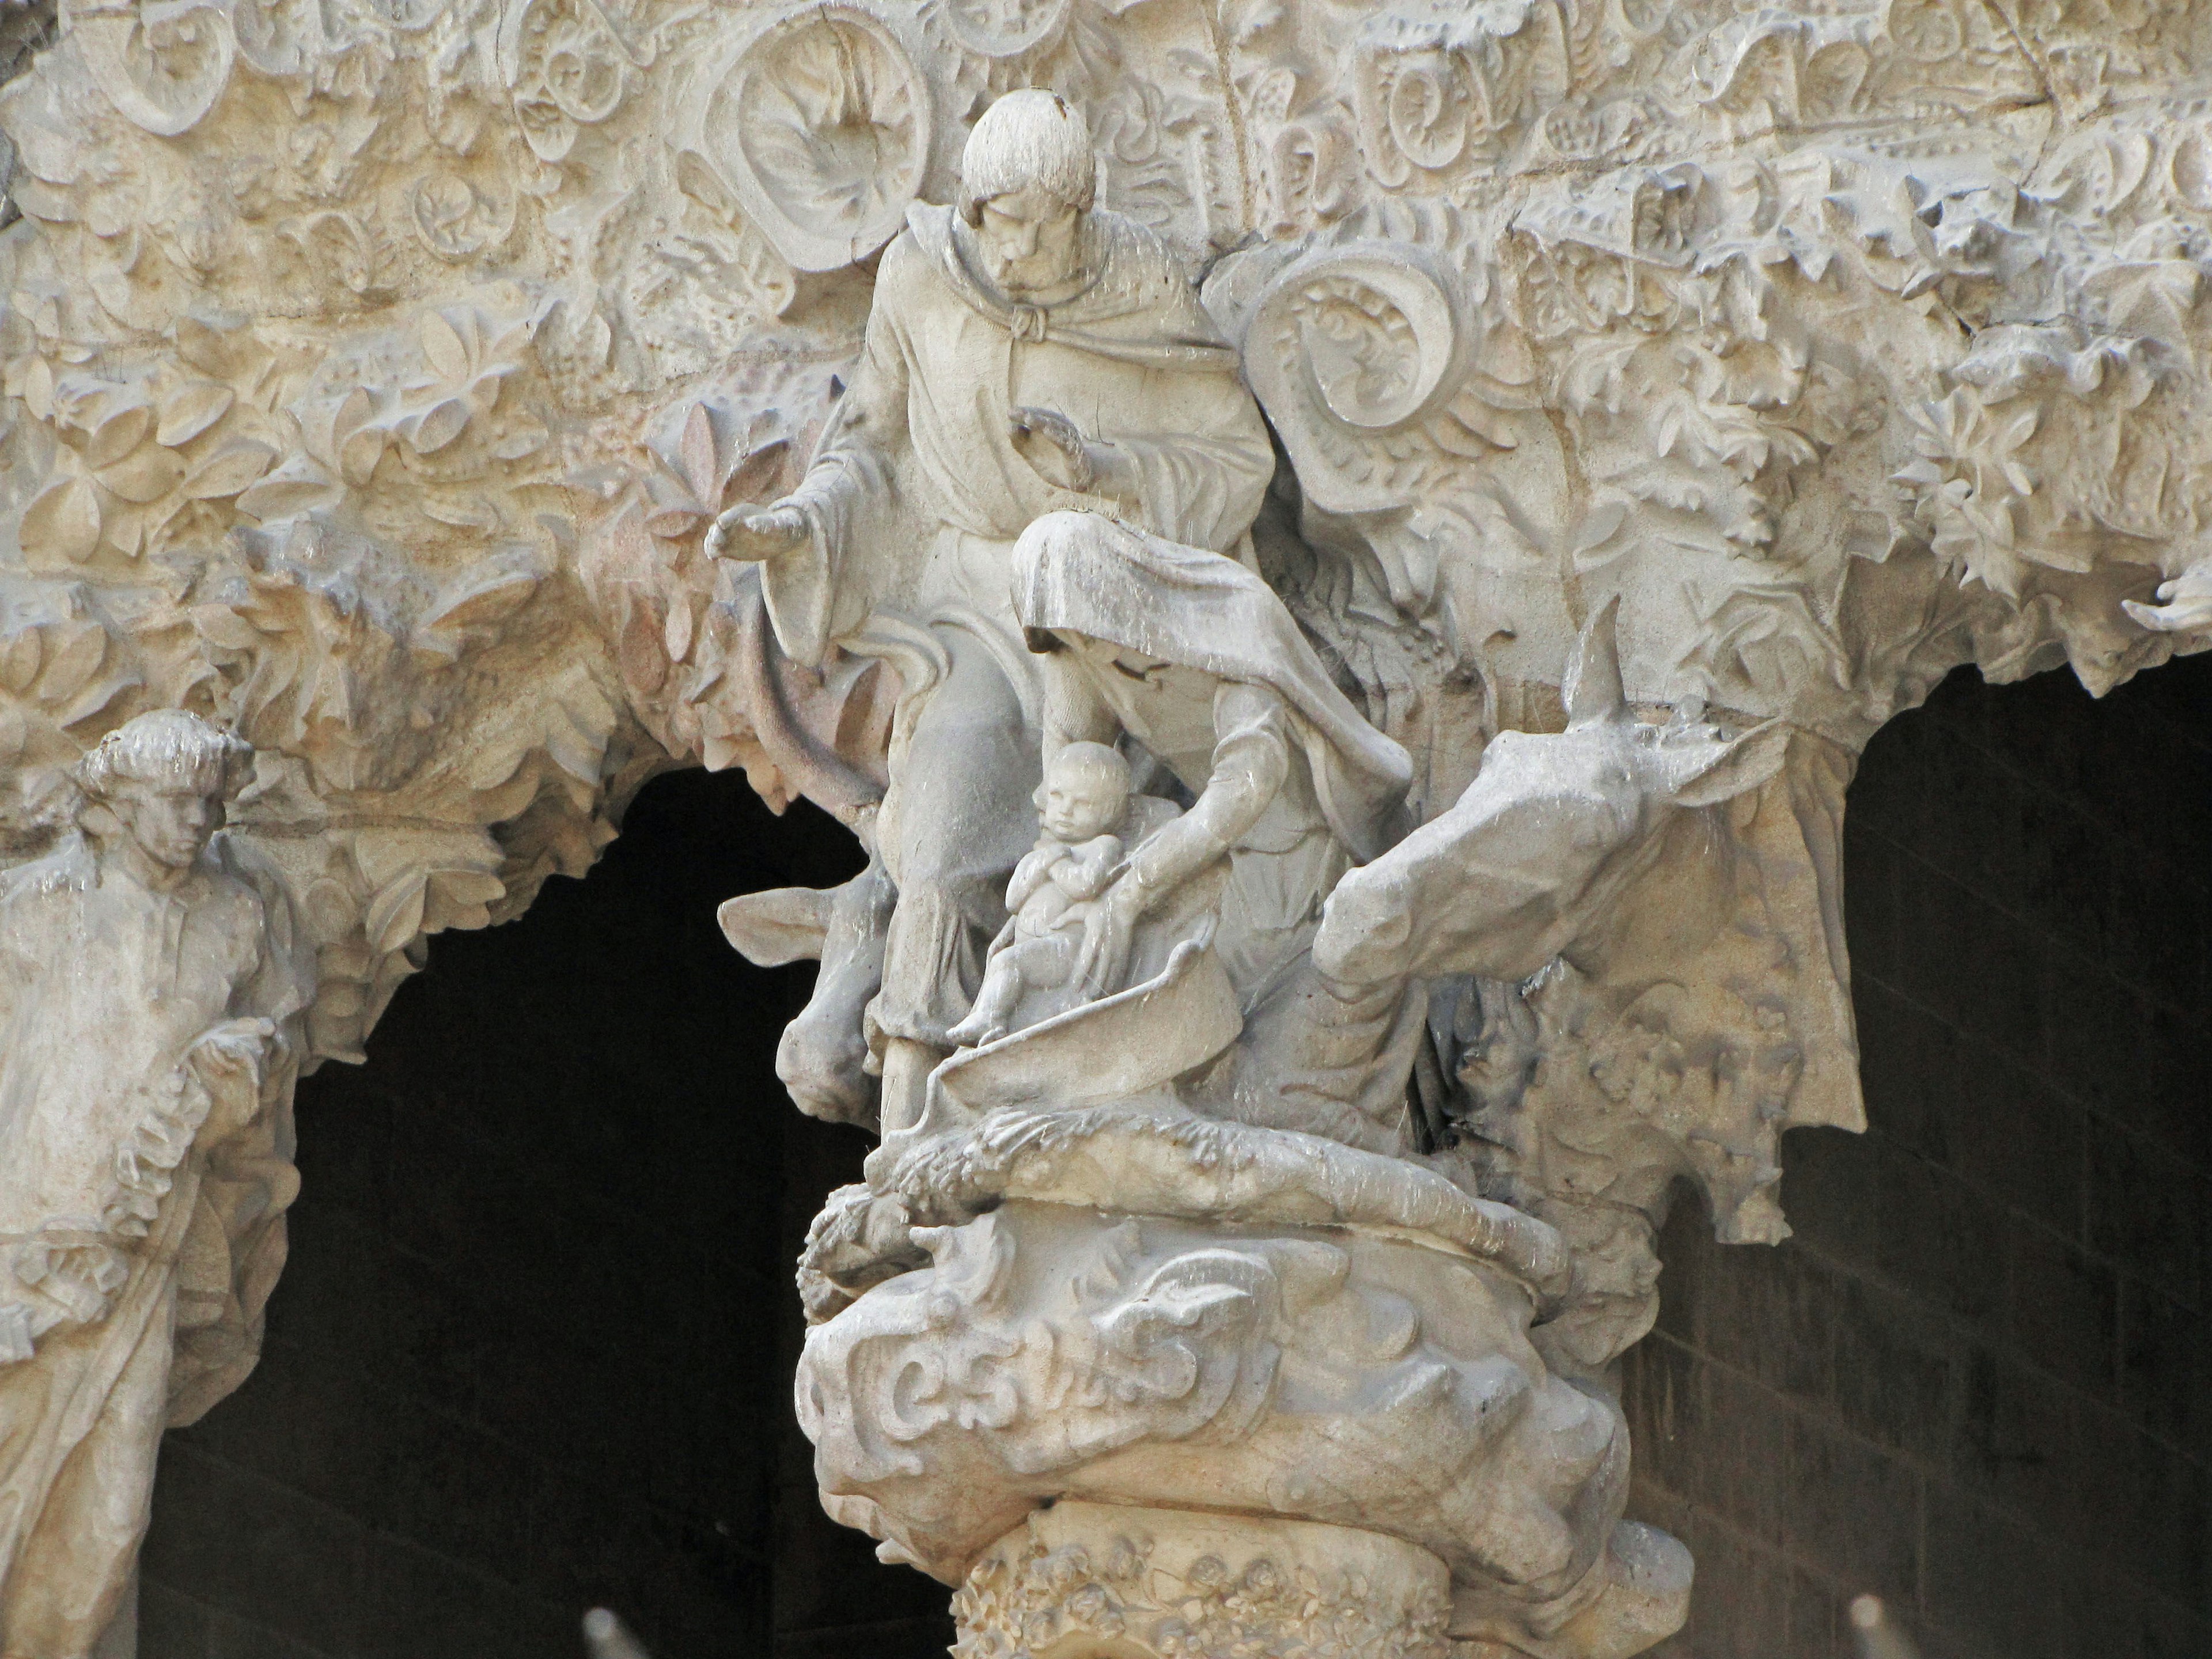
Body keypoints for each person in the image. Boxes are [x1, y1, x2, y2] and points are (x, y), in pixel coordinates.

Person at [706, 89, 1273, 1133]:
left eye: (1049, 232)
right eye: (1003, 229)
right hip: (970, 612)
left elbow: (1234, 459)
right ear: (970, 215)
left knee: (1092, 829)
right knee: (936, 836)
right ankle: (906, 1152)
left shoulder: (1137, 283)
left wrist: (1108, 468)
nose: (1021, 257)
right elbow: (871, 443)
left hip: (1109, 615)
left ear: (1086, 216)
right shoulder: (921, 279)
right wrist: (801, 526)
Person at [0, 712, 310, 1659]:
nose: (195, 823)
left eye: (209, 804)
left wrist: (233, 1082)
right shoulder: (40, 902)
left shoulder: (237, 922)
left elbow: (249, 1125)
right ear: (121, 804)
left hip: (149, 1252)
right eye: (174, 803)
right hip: (26, 1242)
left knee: (108, 1526)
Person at [1012, 510, 1428, 1152]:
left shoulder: (1233, 622)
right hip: (1205, 864)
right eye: (1067, 635)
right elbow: (1067, 761)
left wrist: (1131, 892)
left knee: (1254, 1069)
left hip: (1299, 862)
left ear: (1116, 596)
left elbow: (1245, 789)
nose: (1084, 649)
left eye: (1087, 628)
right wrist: (1056, 878)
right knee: (1185, 1043)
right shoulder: (1079, 650)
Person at [947, 742, 1131, 1048]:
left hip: (1067, 947)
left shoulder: (1102, 846)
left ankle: (989, 1018)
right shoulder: (1042, 853)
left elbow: (1085, 886)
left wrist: (1055, 863)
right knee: (1003, 961)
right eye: (1058, 797)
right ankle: (995, 1024)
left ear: (1109, 813)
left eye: (1082, 804)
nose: (1066, 811)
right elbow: (1013, 900)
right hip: (1034, 943)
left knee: (1010, 962)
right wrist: (1040, 864)